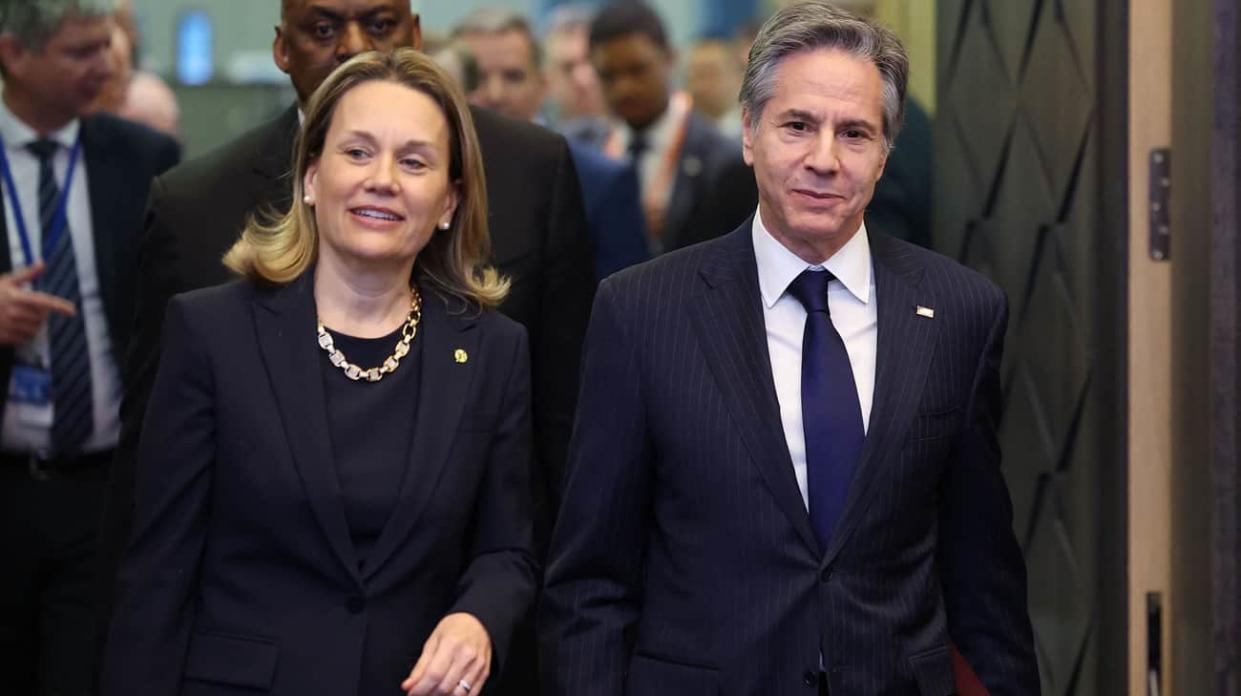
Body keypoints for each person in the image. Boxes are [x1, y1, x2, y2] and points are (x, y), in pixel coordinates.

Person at [540, 4, 1039, 695]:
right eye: (797, 125)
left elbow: (982, 575)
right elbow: (591, 582)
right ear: (748, 132)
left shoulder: (958, 313)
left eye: (855, 133)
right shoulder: (641, 313)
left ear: (885, 152)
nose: (823, 159)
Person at [97, 0, 591, 672]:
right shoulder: (211, 332)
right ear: (309, 177)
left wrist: (480, 618)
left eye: (414, 163)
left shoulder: (492, 350)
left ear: (448, 202)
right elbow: (157, 569)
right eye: (357, 152)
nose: (381, 180)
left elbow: (508, 548)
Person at [0, 1, 179, 694]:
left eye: (103, 47)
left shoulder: (143, 159)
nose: (103, 66)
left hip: (105, 486)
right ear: (15, 56)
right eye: (79, 53)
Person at [456, 8, 647, 279]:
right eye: (478, 78)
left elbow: (629, 306)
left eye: (513, 76)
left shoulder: (602, 182)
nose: (495, 94)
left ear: (543, 85)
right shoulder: (424, 176)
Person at [588, 2, 757, 254]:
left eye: (637, 70)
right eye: (608, 75)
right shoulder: (585, 151)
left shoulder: (722, 160)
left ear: (669, 58)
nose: (624, 88)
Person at [541, 4, 609, 148]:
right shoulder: (537, 147)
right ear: (546, 81)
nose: (583, 79)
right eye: (568, 68)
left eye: (591, 61)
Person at [685, 36, 744, 140]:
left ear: (738, 78)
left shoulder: (756, 134)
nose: (702, 85)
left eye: (711, 73)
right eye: (696, 75)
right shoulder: (679, 136)